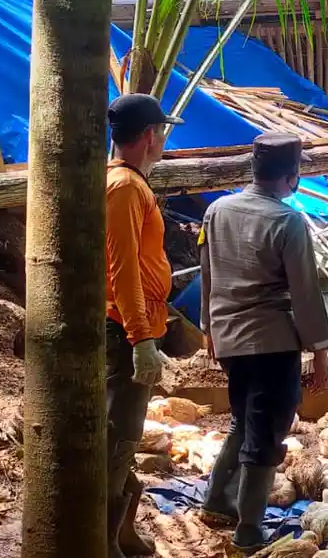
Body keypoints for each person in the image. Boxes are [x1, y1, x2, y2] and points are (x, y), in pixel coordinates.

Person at [197, 133, 328, 552]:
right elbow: (305, 292)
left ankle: (218, 500)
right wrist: (321, 352)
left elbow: (207, 273)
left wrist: (208, 329)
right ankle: (249, 530)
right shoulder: (287, 221)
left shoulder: (216, 210)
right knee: (267, 434)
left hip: (230, 340)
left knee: (243, 420)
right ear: (292, 178)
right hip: (272, 343)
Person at [104, 93, 183, 558]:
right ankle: (103, 539)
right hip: (123, 327)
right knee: (121, 432)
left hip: (133, 321)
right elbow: (122, 270)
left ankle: (120, 532)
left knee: (125, 431)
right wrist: (140, 339)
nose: (164, 140)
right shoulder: (125, 189)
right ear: (150, 135)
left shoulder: (130, 183)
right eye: (163, 132)